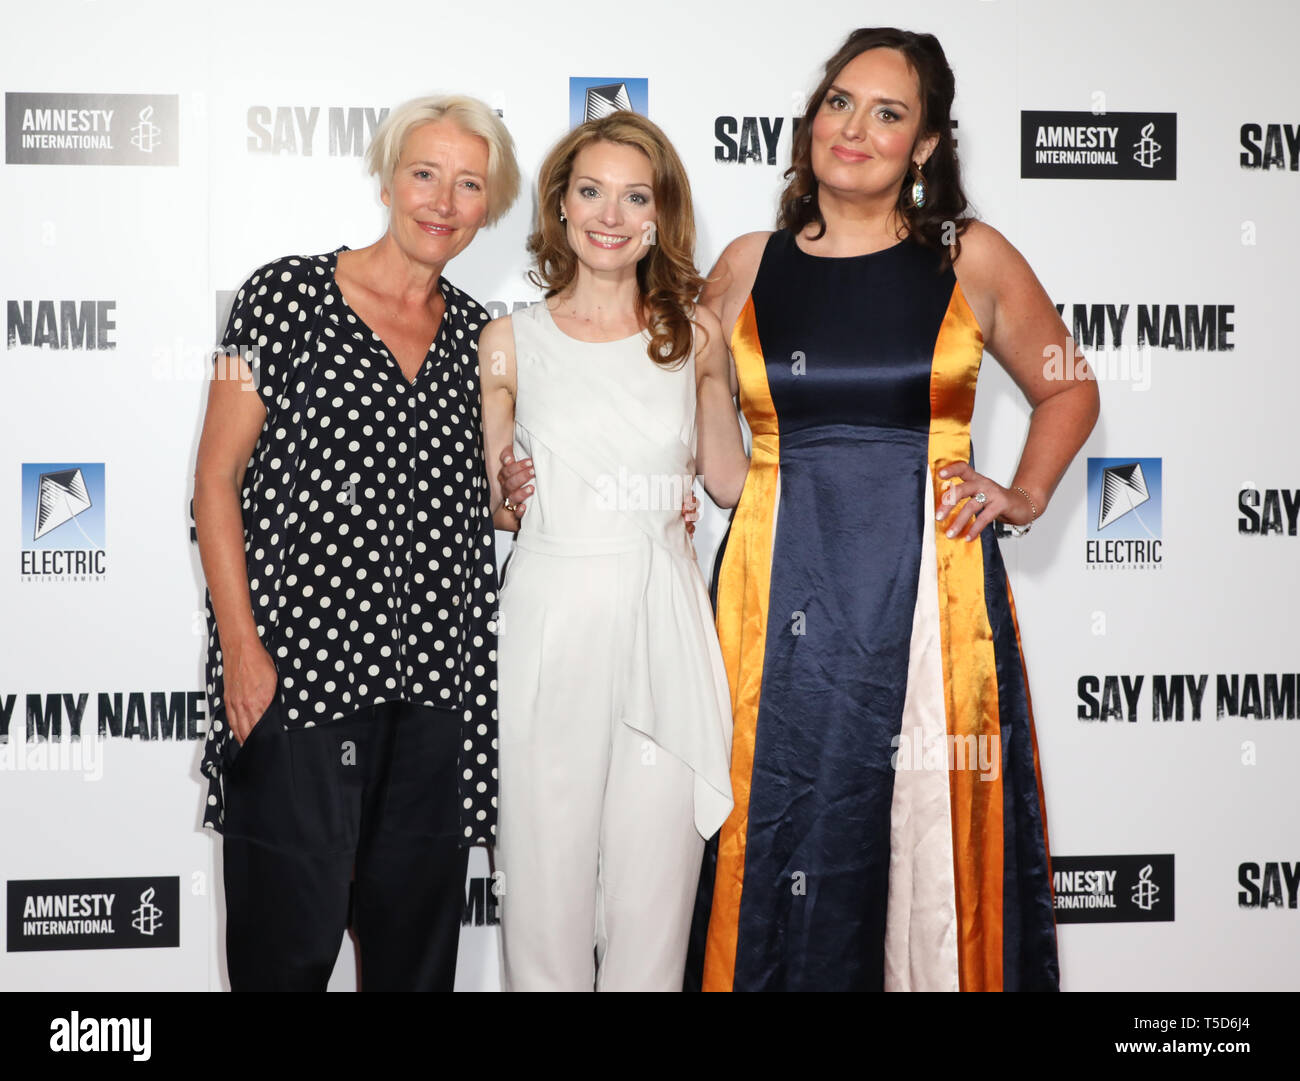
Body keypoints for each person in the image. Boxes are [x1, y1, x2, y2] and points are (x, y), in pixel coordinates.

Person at [681, 27, 1097, 991]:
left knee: (927, 839)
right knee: (775, 825)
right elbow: (718, 467)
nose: (854, 129)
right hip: (775, 605)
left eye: (888, 113)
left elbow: (1069, 388)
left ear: (926, 146)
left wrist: (1024, 492)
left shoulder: (970, 256)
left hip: (932, 604)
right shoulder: (746, 264)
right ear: (809, 120)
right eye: (839, 102)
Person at [193, 94, 519, 991]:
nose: (442, 201)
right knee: (281, 958)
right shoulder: (280, 295)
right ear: (386, 178)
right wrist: (243, 650)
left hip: (436, 697)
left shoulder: (483, 337)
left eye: (467, 184)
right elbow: (214, 479)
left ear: (487, 206)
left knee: (415, 965)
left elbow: (485, 503)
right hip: (299, 680)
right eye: (425, 174)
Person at [479, 112, 734, 991]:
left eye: (637, 196)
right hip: (549, 619)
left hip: (662, 620)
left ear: (662, 214)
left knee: (654, 909)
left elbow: (734, 482)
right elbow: (497, 504)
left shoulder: (697, 338)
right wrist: (508, 496)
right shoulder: (508, 343)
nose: (611, 215)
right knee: (542, 900)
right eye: (591, 191)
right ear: (560, 205)